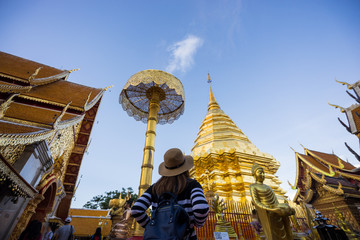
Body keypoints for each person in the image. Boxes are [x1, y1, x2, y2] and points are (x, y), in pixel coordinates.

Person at [131, 148, 209, 240]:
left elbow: (136, 210)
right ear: (185, 168)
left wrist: (153, 226)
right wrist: (196, 224)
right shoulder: (192, 185)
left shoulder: (155, 188)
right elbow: (201, 208)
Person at [249, 163, 295, 240]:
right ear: (254, 174)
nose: (263, 174)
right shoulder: (253, 186)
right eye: (260, 172)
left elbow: (275, 202)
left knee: (284, 233)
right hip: (268, 212)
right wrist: (270, 209)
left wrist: (281, 208)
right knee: (273, 235)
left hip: (277, 211)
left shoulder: (268, 187)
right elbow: (256, 202)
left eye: (263, 173)